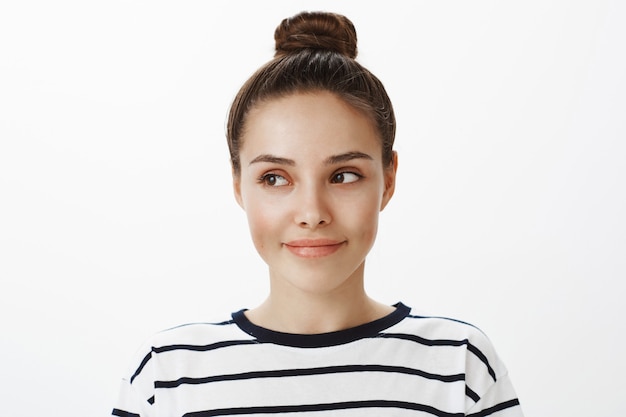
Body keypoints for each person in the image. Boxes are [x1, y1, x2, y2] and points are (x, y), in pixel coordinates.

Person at [112, 11, 523, 417]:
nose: (311, 213)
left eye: (343, 175)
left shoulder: (458, 367)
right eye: (275, 178)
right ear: (238, 185)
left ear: (389, 179)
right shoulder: (168, 376)